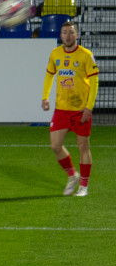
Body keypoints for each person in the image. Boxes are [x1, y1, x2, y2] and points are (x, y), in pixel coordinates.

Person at [42, 21, 98, 197]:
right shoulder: (55, 54)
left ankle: (83, 186)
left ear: (77, 35)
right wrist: (45, 97)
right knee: (55, 145)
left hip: (81, 109)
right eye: (64, 32)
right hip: (62, 109)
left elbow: (95, 82)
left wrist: (89, 106)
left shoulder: (86, 55)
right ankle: (73, 175)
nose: (67, 35)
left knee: (83, 146)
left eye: (71, 32)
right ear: (61, 36)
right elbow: (50, 75)